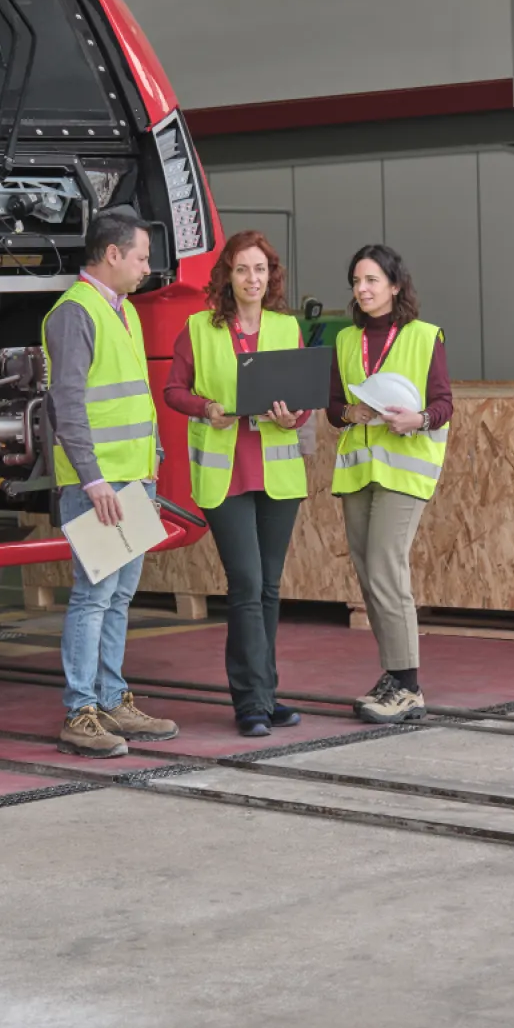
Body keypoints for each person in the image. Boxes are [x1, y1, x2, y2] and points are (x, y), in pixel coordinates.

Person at [42, 208, 182, 757]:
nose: (147, 266)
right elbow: (67, 404)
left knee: (120, 595)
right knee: (94, 595)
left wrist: (152, 458)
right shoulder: (74, 313)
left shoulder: (123, 311)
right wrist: (93, 477)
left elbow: (129, 397)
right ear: (112, 254)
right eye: (142, 257)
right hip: (99, 485)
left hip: (133, 478)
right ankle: (81, 711)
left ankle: (111, 698)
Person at [164, 230, 311, 737]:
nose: (253, 279)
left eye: (262, 270)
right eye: (243, 269)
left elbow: (303, 398)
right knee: (246, 584)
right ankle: (249, 702)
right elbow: (173, 391)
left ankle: (266, 696)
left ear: (272, 278)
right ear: (227, 274)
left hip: (276, 472)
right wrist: (206, 408)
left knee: (268, 587)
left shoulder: (286, 327)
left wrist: (294, 417)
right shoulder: (198, 329)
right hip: (224, 473)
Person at [328, 244, 452, 723]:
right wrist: (349, 413)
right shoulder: (345, 341)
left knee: (385, 566)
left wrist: (418, 419)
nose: (362, 289)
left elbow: (444, 404)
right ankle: (393, 675)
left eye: (372, 280)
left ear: (395, 286)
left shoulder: (425, 336)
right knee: (368, 573)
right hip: (360, 471)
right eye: (357, 281)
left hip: (405, 469)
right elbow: (333, 406)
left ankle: (408, 685)